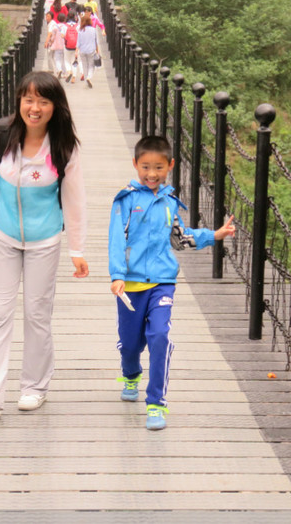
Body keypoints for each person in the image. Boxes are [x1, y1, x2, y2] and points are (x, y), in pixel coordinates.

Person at [0, 71, 89, 418]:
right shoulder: (2, 134)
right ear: (19, 101)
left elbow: (75, 200)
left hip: (44, 240)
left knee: (37, 315)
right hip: (3, 234)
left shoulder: (65, 147)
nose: (34, 108)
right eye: (28, 99)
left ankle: (35, 388)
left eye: (43, 101)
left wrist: (76, 250)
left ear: (55, 106)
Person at [108, 136, 235, 430]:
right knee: (130, 344)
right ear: (135, 165)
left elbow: (180, 238)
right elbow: (116, 240)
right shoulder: (125, 200)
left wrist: (213, 235)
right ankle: (130, 374)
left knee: (159, 336)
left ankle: (156, 404)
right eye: (146, 167)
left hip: (163, 281)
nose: (152, 174)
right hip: (130, 284)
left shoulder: (168, 202)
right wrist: (117, 275)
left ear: (170, 166)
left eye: (159, 167)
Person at [76, 13, 99, 88]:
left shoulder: (80, 31)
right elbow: (96, 41)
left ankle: (86, 80)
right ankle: (89, 77)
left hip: (82, 50)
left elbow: (78, 42)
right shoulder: (93, 30)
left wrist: (76, 52)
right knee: (91, 66)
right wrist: (97, 51)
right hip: (91, 50)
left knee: (85, 65)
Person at [63, 10, 80, 84]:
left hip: (67, 46)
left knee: (66, 60)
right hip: (75, 46)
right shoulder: (78, 26)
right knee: (74, 61)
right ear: (75, 17)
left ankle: (69, 71)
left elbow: (62, 35)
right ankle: (74, 77)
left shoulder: (65, 26)